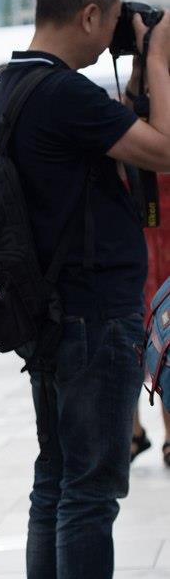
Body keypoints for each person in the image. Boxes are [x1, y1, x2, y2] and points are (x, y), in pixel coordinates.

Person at [0, 0, 170, 579]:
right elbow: (165, 151)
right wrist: (158, 56)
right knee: (91, 488)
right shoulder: (64, 93)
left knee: (57, 479)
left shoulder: (12, 84)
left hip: (53, 315)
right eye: (114, 19)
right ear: (91, 14)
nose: (115, 34)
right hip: (94, 316)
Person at [131, 171, 170, 467]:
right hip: (133, 229)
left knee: (166, 334)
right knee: (129, 332)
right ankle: (132, 430)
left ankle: (169, 434)